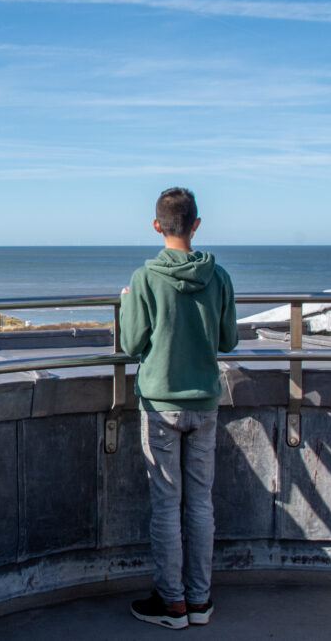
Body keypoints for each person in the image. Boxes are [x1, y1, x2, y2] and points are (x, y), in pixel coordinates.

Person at [119, 187, 238, 630]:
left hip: (160, 404)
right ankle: (200, 600)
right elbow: (229, 340)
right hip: (204, 402)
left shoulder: (145, 279)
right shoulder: (218, 277)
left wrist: (127, 303)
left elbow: (131, 344)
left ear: (156, 225)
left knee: (167, 506)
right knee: (200, 504)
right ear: (196, 225)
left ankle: (172, 603)